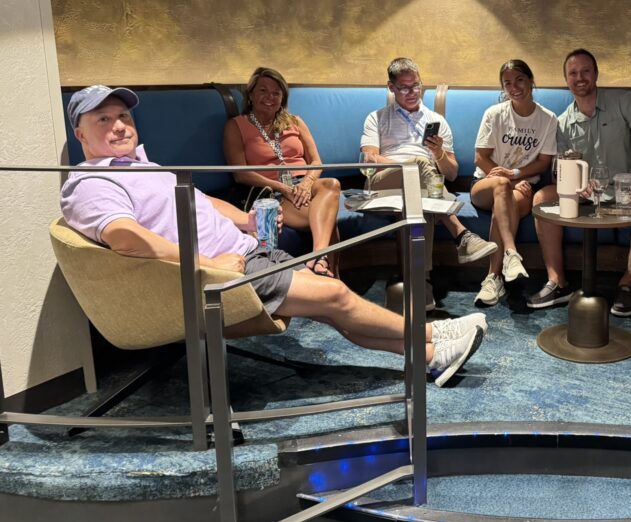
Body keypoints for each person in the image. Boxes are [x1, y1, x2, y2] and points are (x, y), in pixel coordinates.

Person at [61, 85, 487, 387]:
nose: (118, 126)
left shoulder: (144, 168)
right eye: (103, 119)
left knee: (333, 302)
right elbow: (127, 241)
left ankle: (431, 357)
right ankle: (433, 336)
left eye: (123, 116)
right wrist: (208, 264)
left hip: (246, 253)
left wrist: (246, 224)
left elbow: (205, 204)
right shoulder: (91, 183)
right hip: (217, 276)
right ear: (80, 135)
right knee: (336, 299)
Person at [527, 49, 631, 315]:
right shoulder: (563, 123)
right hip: (590, 192)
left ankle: (627, 284)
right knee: (541, 199)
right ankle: (558, 282)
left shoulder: (624, 102)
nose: (579, 78)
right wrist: (577, 185)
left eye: (585, 71)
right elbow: (563, 171)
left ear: (596, 74)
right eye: (573, 73)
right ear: (566, 80)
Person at [360, 58, 498, 278]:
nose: (413, 92)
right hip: (383, 182)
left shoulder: (437, 121)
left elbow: (451, 173)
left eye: (416, 85)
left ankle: (420, 284)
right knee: (419, 165)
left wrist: (439, 153)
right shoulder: (376, 118)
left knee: (419, 203)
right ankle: (461, 234)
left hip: (422, 187)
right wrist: (410, 165)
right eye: (404, 88)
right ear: (391, 87)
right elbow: (369, 160)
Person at [224, 67, 341, 277]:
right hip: (272, 193)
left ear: (283, 98)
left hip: (304, 186)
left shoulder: (295, 122)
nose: (270, 97)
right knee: (327, 221)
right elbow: (240, 174)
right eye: (263, 91)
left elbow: (316, 161)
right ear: (251, 94)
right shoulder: (237, 126)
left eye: (276, 93)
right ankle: (326, 270)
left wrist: (305, 184)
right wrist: (284, 188)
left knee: (331, 184)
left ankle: (318, 258)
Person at [471, 59, 558, 306]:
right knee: (500, 187)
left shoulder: (547, 119)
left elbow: (543, 162)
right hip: (486, 186)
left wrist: (516, 174)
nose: (514, 87)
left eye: (519, 79)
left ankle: (492, 278)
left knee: (505, 204)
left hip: (523, 188)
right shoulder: (494, 114)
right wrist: (507, 182)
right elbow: (480, 157)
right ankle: (511, 253)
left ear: (531, 81)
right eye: (507, 83)